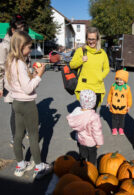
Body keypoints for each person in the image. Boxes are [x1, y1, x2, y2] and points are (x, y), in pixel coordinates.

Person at [5, 31, 52, 179]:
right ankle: (39, 167)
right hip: (27, 104)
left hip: (16, 103)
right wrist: (39, 75)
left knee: (18, 135)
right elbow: (28, 88)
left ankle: (20, 165)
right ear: (20, 46)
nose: (30, 50)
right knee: (33, 135)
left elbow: (14, 84)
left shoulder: (10, 61)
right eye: (29, 47)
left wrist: (31, 74)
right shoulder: (20, 63)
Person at [0, 14, 29, 147]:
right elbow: (0, 67)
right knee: (15, 111)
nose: (22, 31)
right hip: (11, 82)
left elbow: (27, 60)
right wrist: (0, 86)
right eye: (19, 28)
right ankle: (14, 136)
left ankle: (24, 130)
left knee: (25, 107)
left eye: (24, 28)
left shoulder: (22, 41)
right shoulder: (5, 45)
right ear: (12, 29)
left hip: (24, 81)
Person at [70, 27, 110, 110]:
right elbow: (72, 65)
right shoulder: (81, 51)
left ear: (98, 39)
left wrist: (100, 77)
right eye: (89, 39)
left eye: (93, 39)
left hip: (97, 87)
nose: (91, 41)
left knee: (93, 113)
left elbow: (107, 68)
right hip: (84, 87)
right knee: (85, 114)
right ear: (86, 39)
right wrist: (81, 60)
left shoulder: (102, 53)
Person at [66, 89, 104, 165]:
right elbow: (97, 132)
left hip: (81, 140)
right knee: (92, 157)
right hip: (91, 142)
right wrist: (99, 142)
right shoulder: (94, 117)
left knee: (82, 154)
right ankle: (91, 168)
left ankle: (81, 167)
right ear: (93, 103)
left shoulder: (77, 112)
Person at [107, 69, 132, 135]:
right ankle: (114, 129)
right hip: (114, 105)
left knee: (122, 119)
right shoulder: (113, 86)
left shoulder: (127, 88)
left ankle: (121, 129)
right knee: (114, 118)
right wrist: (108, 102)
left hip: (123, 107)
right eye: (117, 79)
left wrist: (129, 105)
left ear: (125, 80)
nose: (119, 81)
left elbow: (129, 97)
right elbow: (110, 94)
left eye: (121, 80)